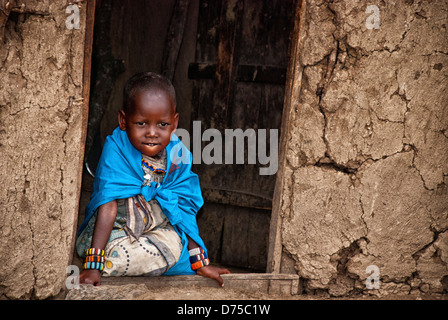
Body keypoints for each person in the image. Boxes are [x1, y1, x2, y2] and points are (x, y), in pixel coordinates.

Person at [76, 72, 230, 287]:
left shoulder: (178, 155)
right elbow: (108, 205)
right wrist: (92, 267)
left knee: (176, 247)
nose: (152, 133)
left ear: (174, 123)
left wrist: (200, 261)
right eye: (141, 123)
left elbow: (182, 210)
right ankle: (104, 262)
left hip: (156, 230)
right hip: (116, 231)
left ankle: (137, 262)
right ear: (123, 120)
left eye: (162, 125)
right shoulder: (117, 149)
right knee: (124, 253)